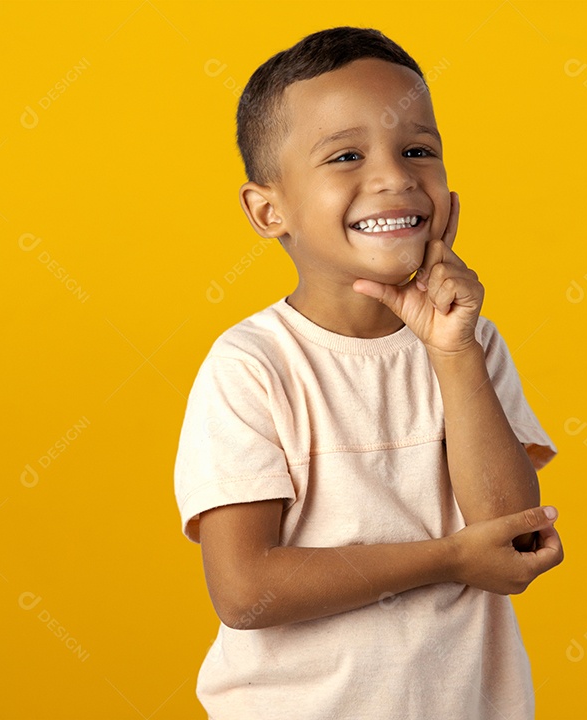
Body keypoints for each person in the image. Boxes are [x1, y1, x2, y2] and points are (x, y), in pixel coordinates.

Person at [172, 26, 564, 720]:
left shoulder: (470, 343)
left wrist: (452, 353)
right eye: (346, 155)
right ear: (270, 210)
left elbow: (514, 536)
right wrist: (447, 559)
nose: (394, 177)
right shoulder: (253, 367)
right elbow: (244, 589)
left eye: (419, 150)